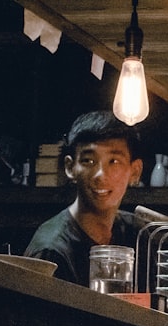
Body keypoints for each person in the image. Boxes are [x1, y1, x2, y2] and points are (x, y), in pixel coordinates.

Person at [24, 111, 144, 286]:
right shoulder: (51, 251)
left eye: (114, 162)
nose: (100, 175)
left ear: (135, 171)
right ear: (70, 167)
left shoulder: (138, 235)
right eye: (89, 161)